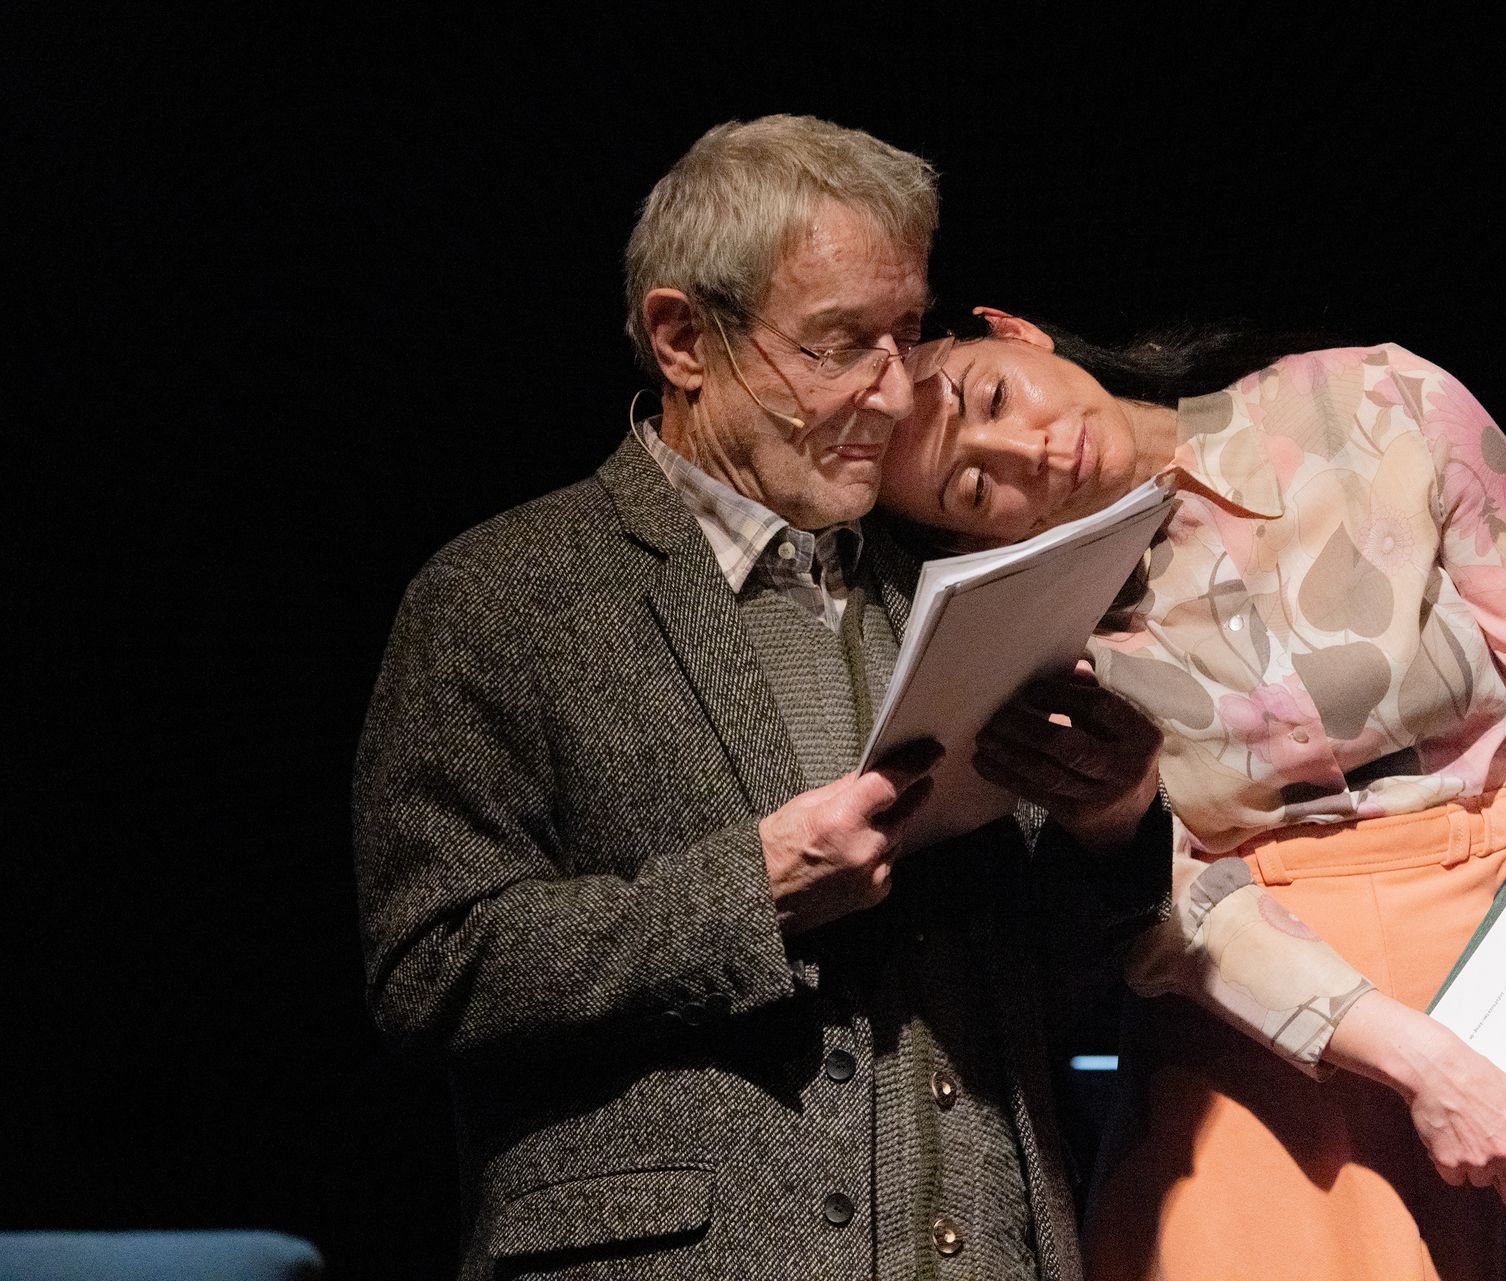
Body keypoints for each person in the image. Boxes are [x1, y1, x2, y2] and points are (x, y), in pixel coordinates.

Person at [878, 309, 1506, 1280]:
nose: (1025, 454)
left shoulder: (1375, 401)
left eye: (992, 397)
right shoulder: (1036, 636)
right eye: (973, 487)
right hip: (1260, 1026)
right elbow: (1156, 889)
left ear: (1015, 332)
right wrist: (1419, 1060)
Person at [352, 120, 1169, 1281]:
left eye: (906, 334)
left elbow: (1057, 983)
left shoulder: (955, 593)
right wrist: (750, 893)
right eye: (840, 345)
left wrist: (1110, 822)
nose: (894, 393)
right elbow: (430, 972)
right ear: (685, 339)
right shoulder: (507, 592)